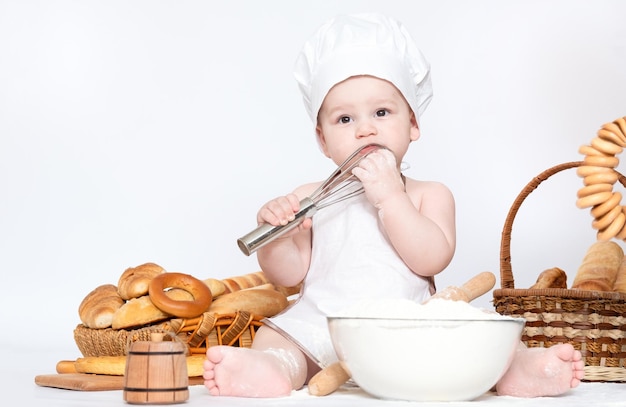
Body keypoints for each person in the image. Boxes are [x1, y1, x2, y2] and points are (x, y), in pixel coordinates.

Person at [203, 12, 584, 398]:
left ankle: (516, 369)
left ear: (413, 124)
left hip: (411, 328)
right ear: (322, 140)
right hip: (326, 325)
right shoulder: (309, 196)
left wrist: (390, 197)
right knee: (279, 336)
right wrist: (277, 237)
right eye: (345, 118)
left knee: (482, 327)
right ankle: (273, 368)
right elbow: (288, 275)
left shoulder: (428, 194)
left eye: (381, 113)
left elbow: (431, 259)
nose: (364, 128)